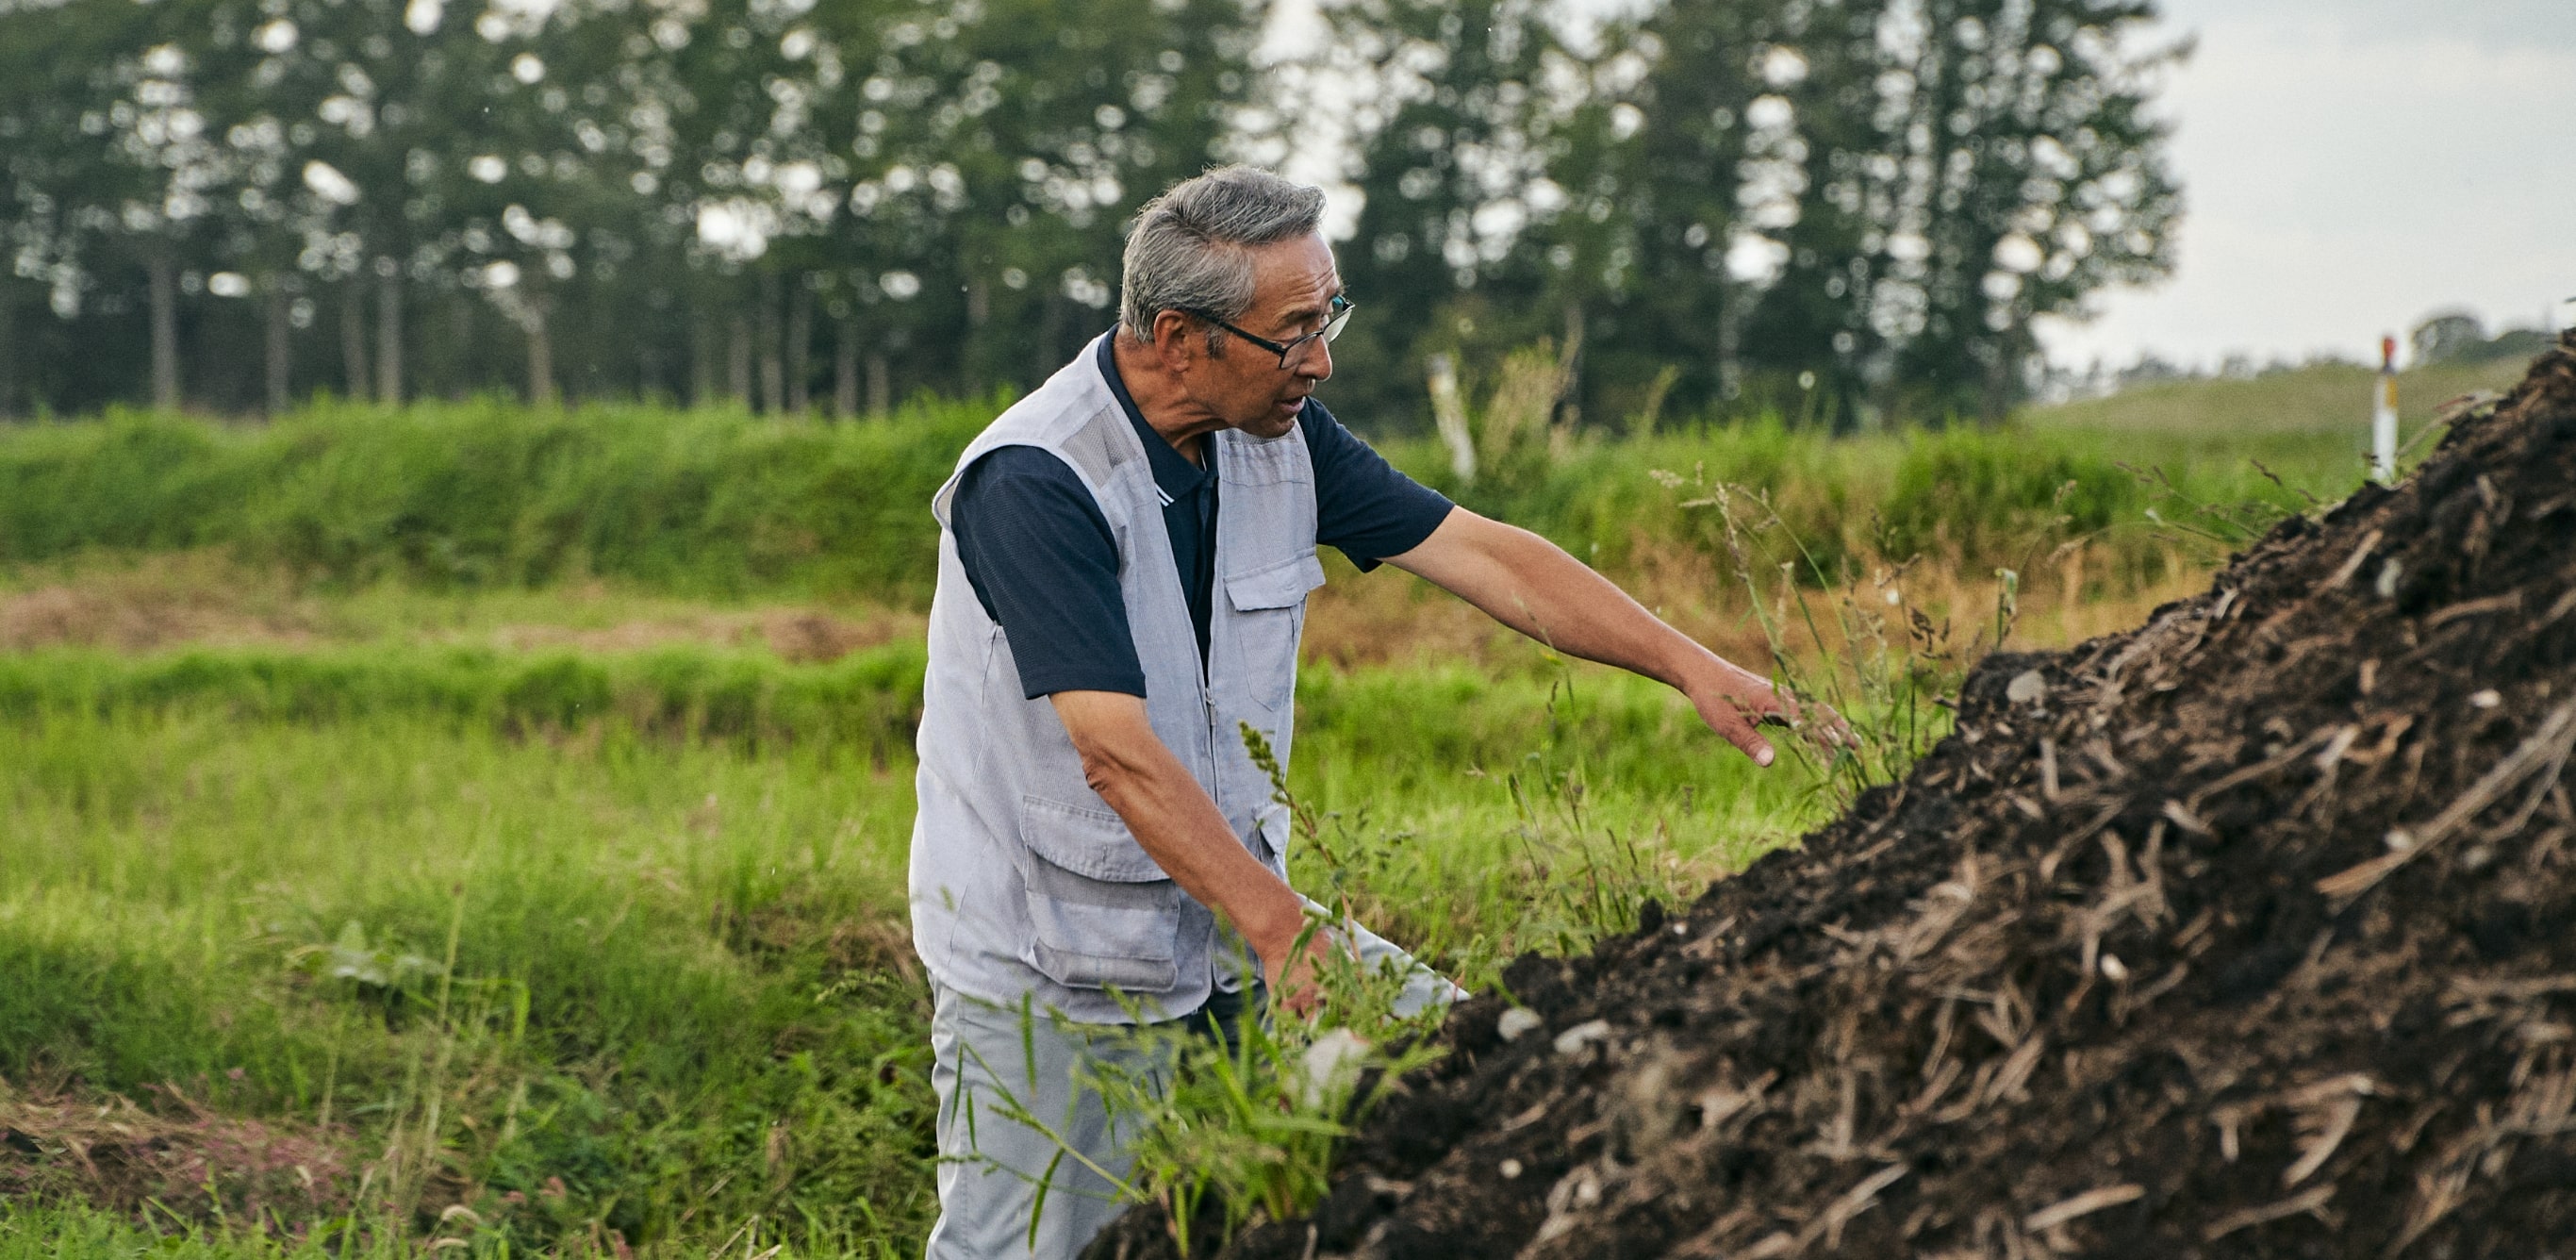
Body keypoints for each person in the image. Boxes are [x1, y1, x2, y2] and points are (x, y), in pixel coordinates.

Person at [908, 165, 1836, 1258]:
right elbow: (1113, 755)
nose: (1321, 357)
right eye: (1292, 330)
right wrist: (1281, 931)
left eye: (1327, 313)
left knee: (1488, 1069)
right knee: (1029, 1248)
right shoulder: (1036, 479)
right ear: (1178, 335)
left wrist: (1689, 665)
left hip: (1231, 918)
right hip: (1058, 959)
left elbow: (1489, 558)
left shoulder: (1279, 439)